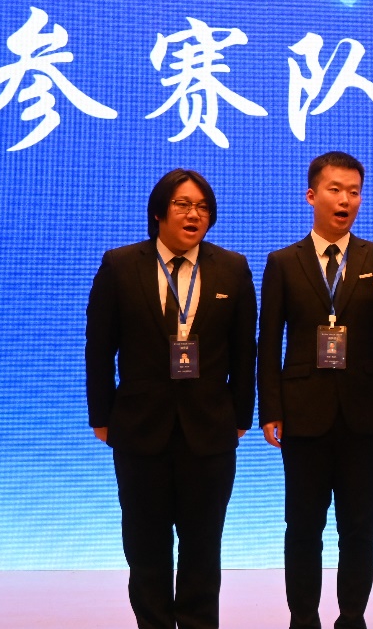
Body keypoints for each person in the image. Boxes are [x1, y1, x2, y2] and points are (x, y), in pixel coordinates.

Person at [86, 169, 257, 629]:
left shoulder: (233, 267)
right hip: (139, 429)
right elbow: (99, 347)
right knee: (146, 549)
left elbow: (245, 351)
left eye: (202, 207)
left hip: (210, 431)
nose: (193, 214)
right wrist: (101, 416)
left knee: (203, 548)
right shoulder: (121, 265)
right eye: (183, 204)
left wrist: (241, 415)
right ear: (159, 212)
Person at [258, 152, 373, 629]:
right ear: (312, 196)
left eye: (354, 192)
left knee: (359, 529)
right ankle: (303, 619)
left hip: (363, 413)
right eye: (335, 190)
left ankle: (352, 618)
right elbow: (269, 342)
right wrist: (270, 408)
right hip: (302, 411)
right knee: (303, 528)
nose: (346, 200)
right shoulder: (283, 262)